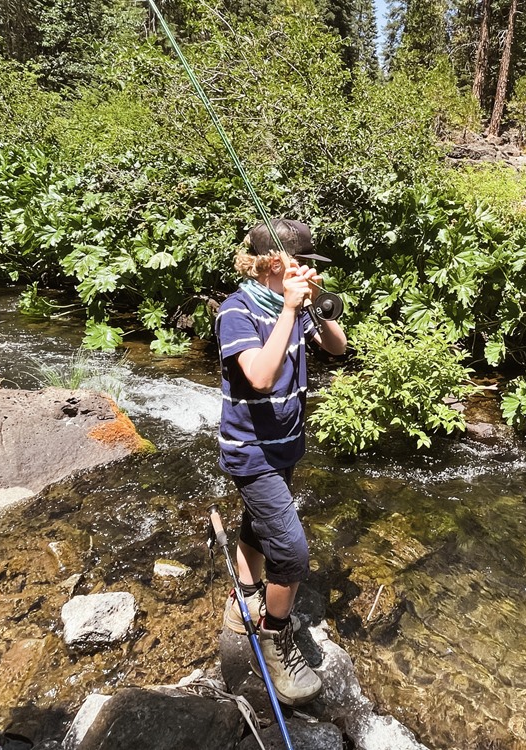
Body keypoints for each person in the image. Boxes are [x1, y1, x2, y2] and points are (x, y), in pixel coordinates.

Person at [216, 218, 347, 706]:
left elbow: (338, 348)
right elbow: (262, 377)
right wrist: (291, 310)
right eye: (305, 262)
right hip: (251, 450)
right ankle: (275, 640)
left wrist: (320, 307)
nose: (311, 269)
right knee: (291, 552)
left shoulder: (294, 304)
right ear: (277, 264)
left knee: (257, 523)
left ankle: (241, 601)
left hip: (287, 442)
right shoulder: (237, 312)